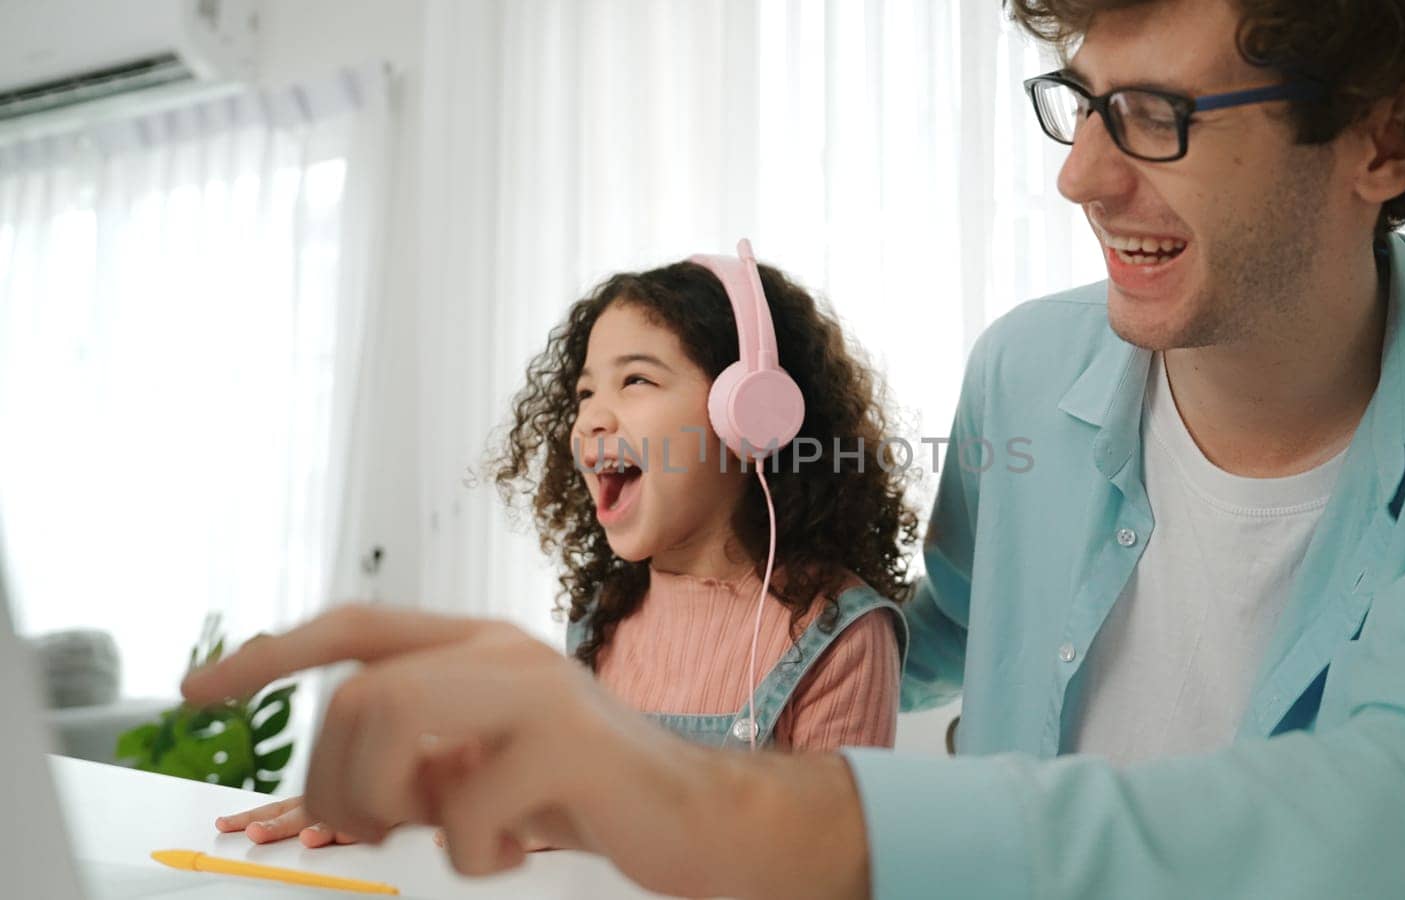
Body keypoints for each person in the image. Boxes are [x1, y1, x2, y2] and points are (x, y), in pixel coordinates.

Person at [183, 0, 1405, 897]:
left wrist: (729, 811)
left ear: (1389, 138)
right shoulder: (1030, 368)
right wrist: (608, 707)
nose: (1083, 175)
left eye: (1158, 117)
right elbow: (928, 640)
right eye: (1084, 101)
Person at [208, 257, 917, 849]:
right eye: (583, 392)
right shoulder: (605, 615)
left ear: (752, 414)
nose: (591, 417)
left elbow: (822, 868)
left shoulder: (839, 633)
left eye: (636, 380)